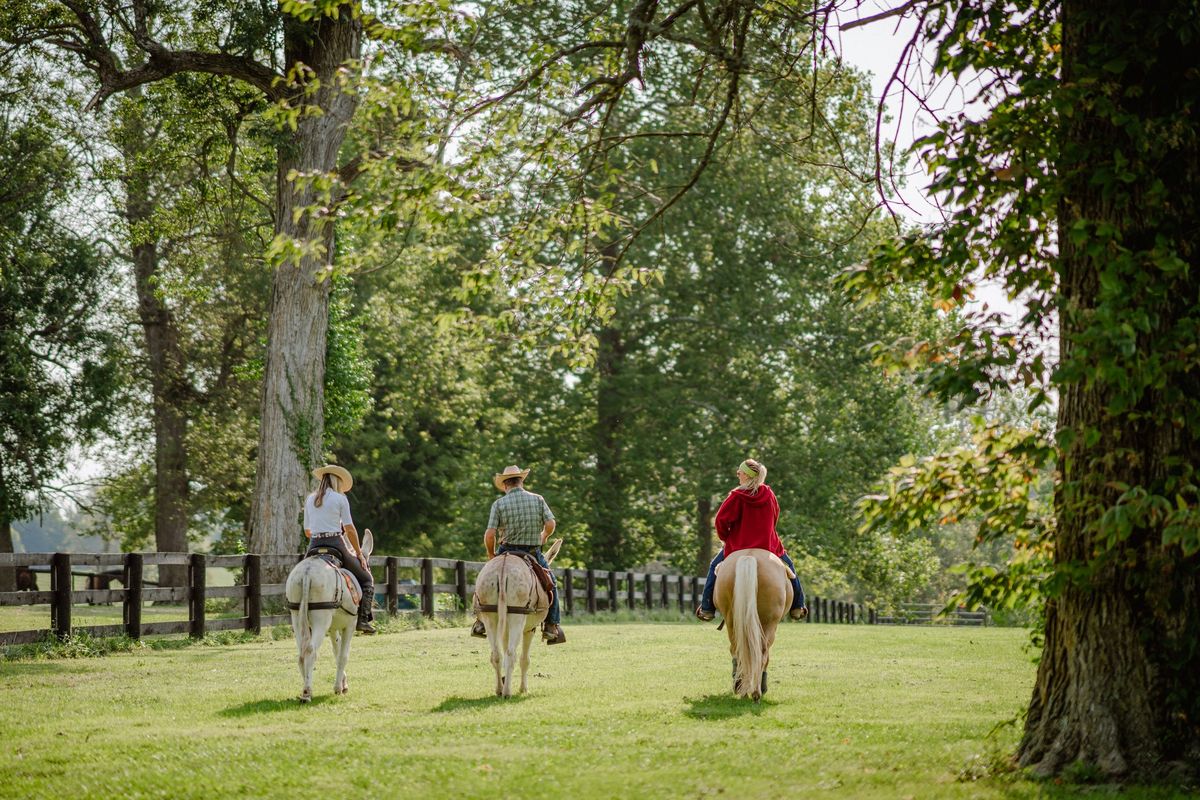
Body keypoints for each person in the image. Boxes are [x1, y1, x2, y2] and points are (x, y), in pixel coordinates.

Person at [695, 458, 808, 622]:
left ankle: (706, 608)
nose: (738, 474)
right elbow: (775, 516)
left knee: (714, 566)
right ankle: (798, 606)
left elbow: (720, 520)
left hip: (737, 545)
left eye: (740, 471)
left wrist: (726, 538)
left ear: (747, 476)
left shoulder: (736, 496)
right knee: (789, 567)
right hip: (768, 546)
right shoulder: (769, 494)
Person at [470, 465, 566, 645]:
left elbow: (489, 534)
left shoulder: (499, 504)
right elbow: (551, 523)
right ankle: (552, 626)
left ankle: (480, 621)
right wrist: (544, 535)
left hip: (506, 551)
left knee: (483, 579)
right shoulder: (537, 499)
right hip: (532, 552)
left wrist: (491, 555)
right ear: (521, 481)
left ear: (505, 485)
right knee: (550, 582)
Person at [303, 464, 376, 634]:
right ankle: (363, 621)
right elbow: (350, 529)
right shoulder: (340, 499)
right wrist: (359, 553)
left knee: (301, 576)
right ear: (337, 482)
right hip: (336, 543)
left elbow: (307, 532)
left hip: (313, 544)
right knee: (367, 580)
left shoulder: (310, 499)